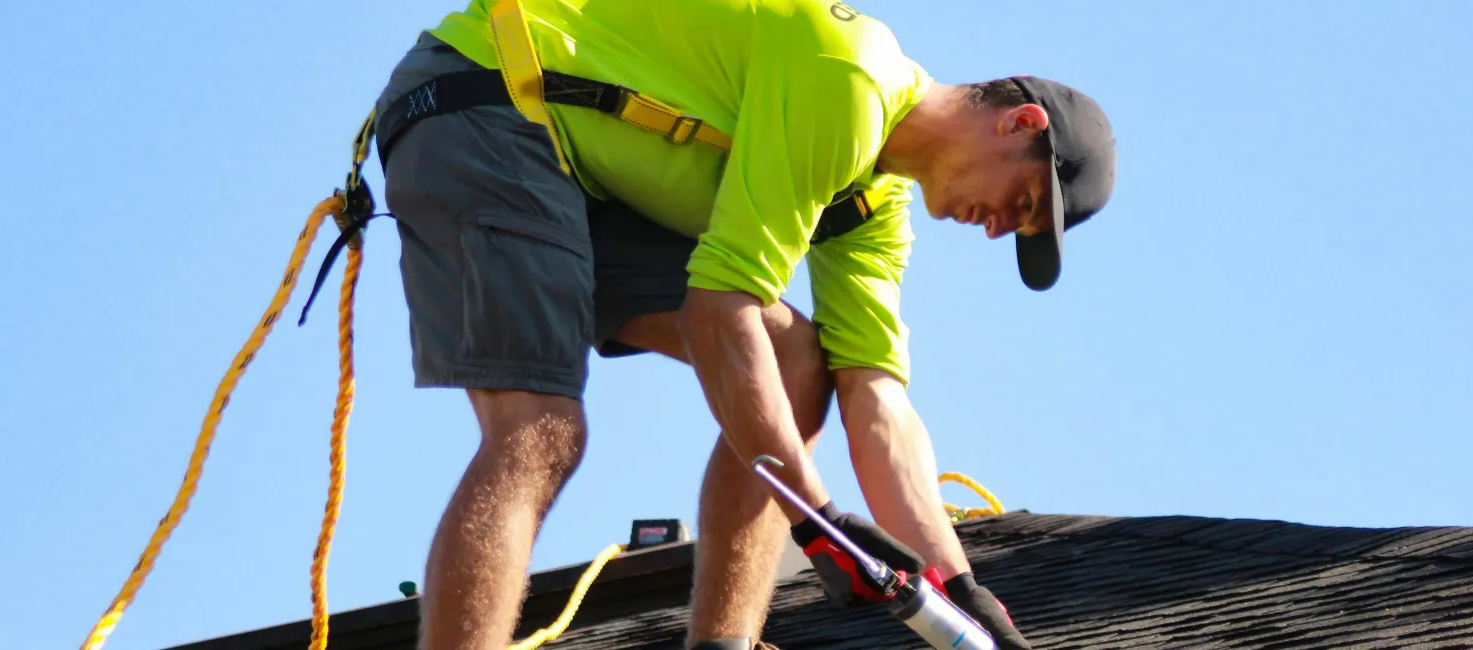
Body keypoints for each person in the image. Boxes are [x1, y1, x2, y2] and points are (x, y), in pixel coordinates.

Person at [368, 0, 1116, 648]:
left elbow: (878, 402)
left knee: (800, 365)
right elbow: (718, 312)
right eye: (1022, 204)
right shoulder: (848, 78)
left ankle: (722, 642)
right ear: (1021, 122)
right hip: (487, 101)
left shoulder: (871, 207)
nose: (997, 232)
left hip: (583, 170)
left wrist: (960, 589)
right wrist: (815, 515)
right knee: (539, 434)